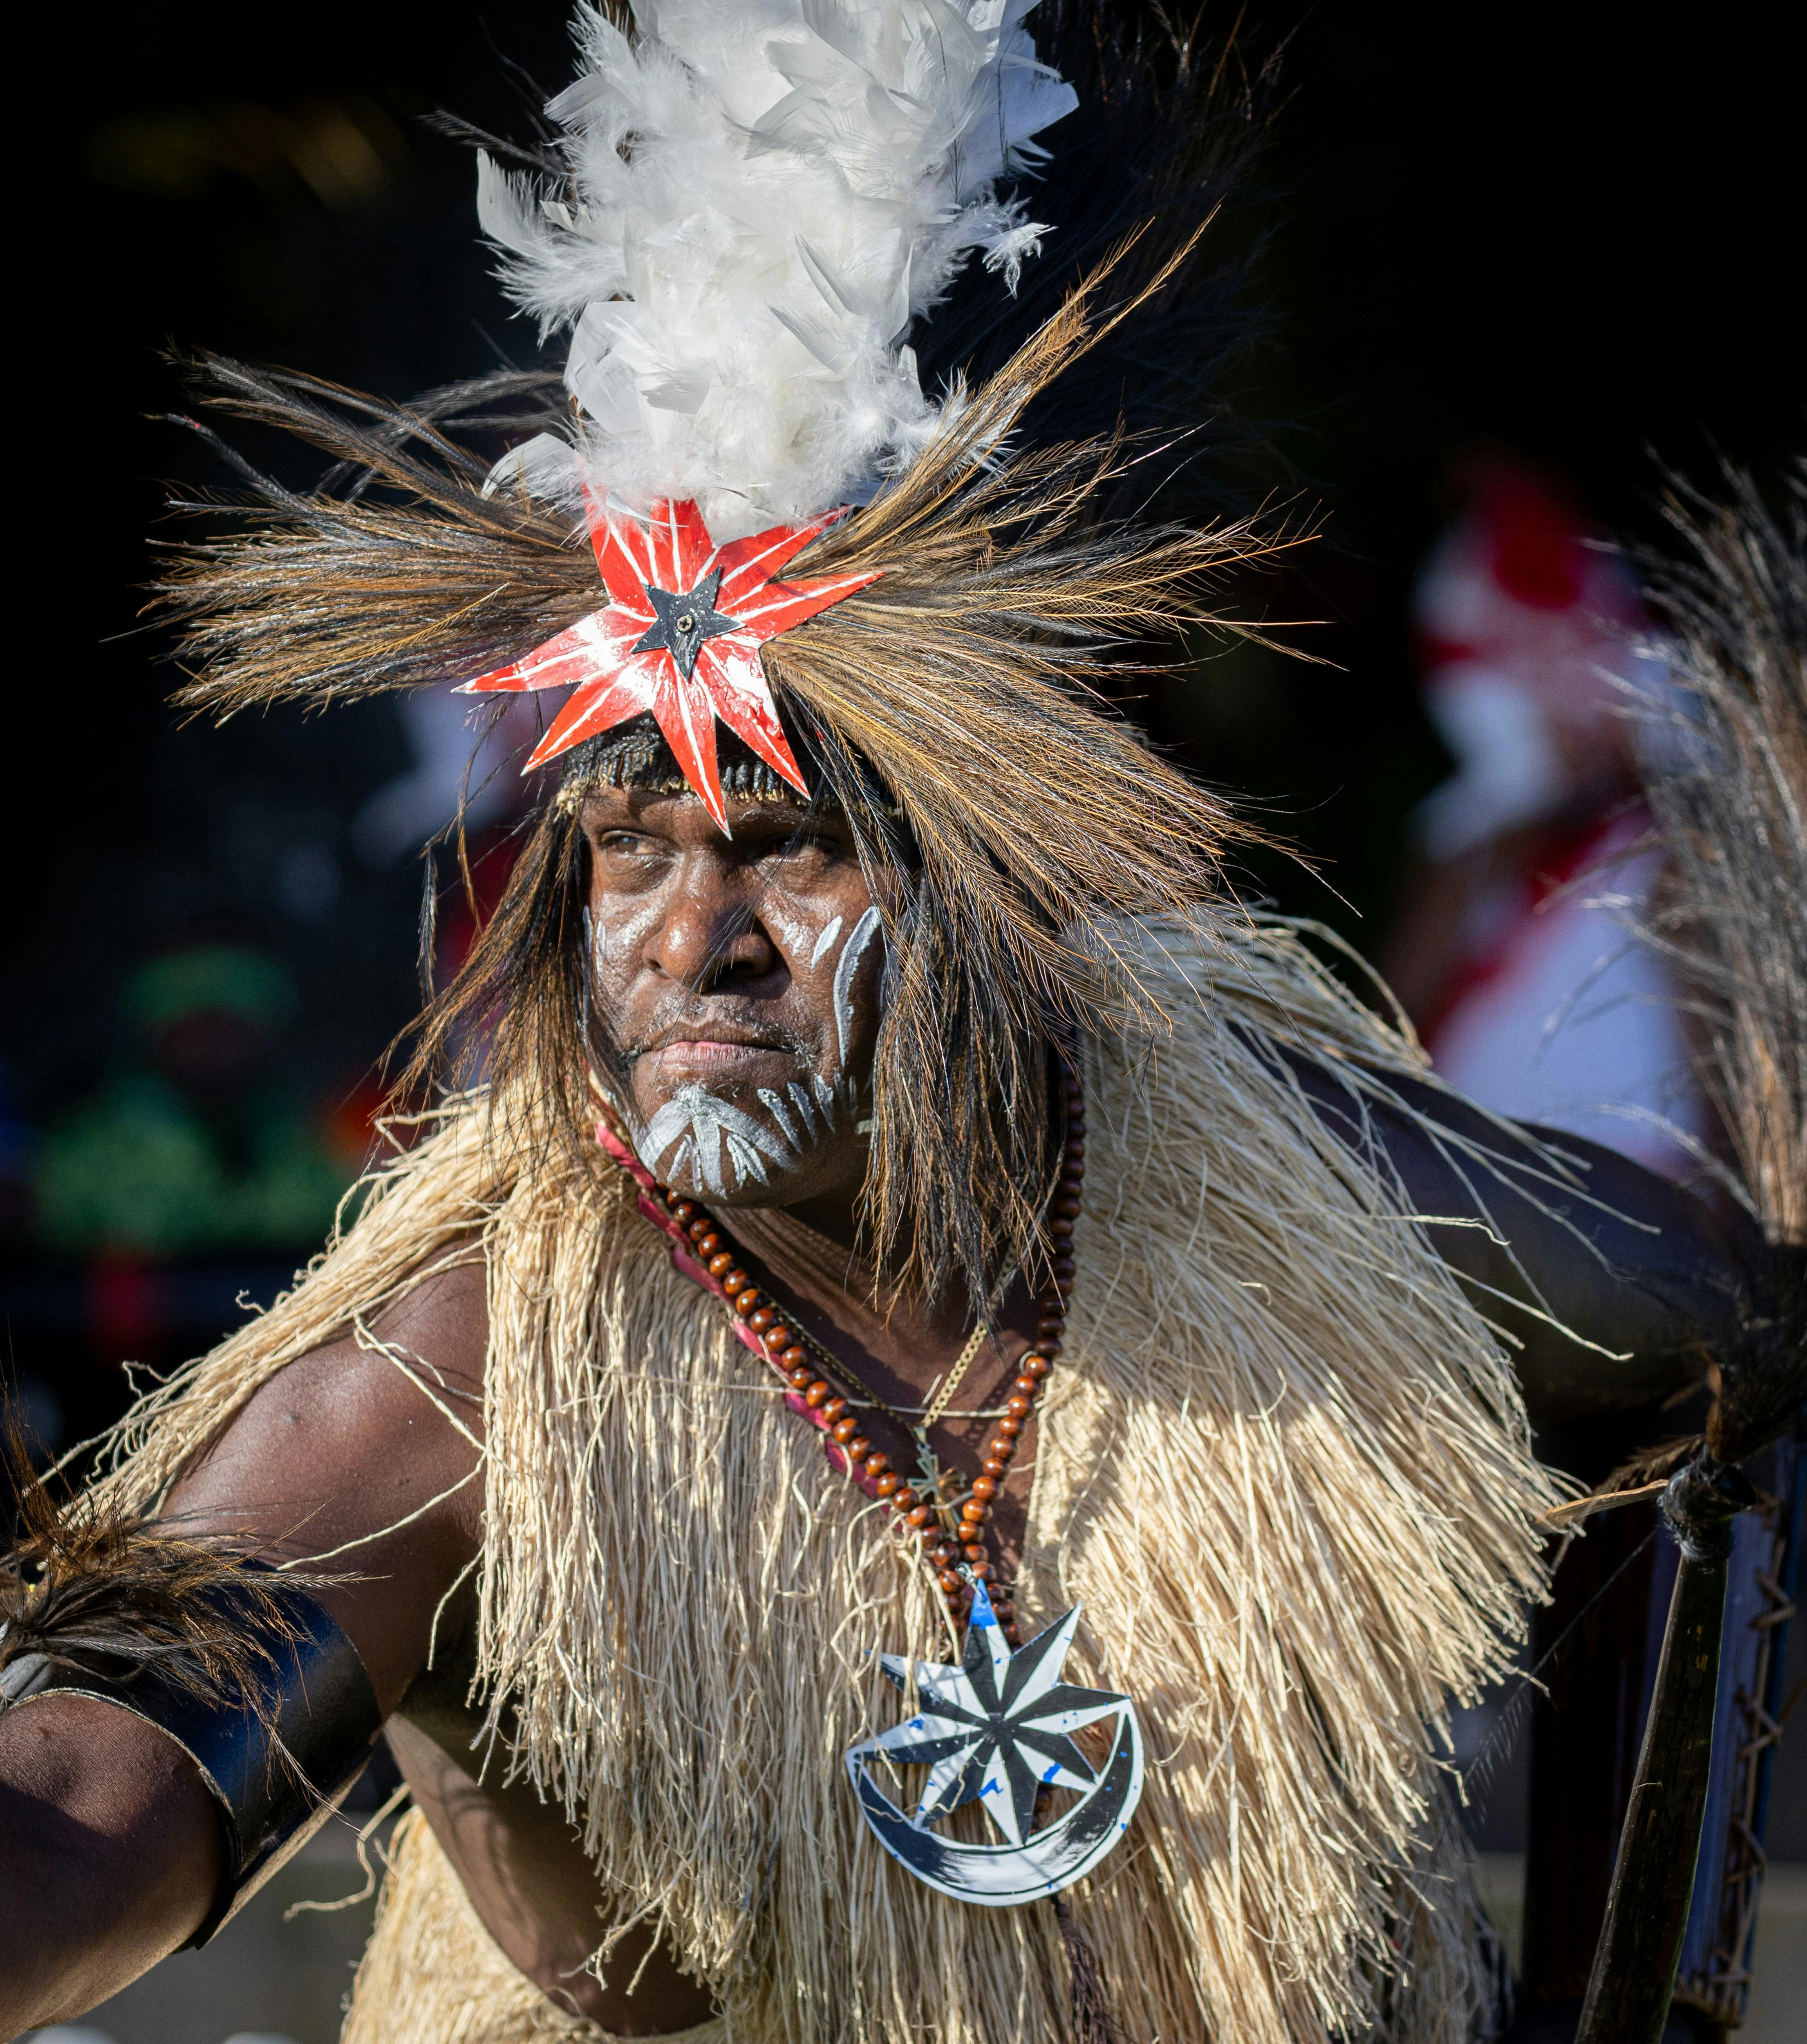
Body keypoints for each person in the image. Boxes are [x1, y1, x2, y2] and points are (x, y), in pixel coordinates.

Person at [2, 7, 1798, 2042]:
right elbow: (80, 1801)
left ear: (987, 889)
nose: (697, 941)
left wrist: (1612, 1994)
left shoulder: (1293, 1199)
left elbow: (1711, 1346)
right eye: (623, 855)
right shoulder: (471, 1366)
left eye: (787, 850)